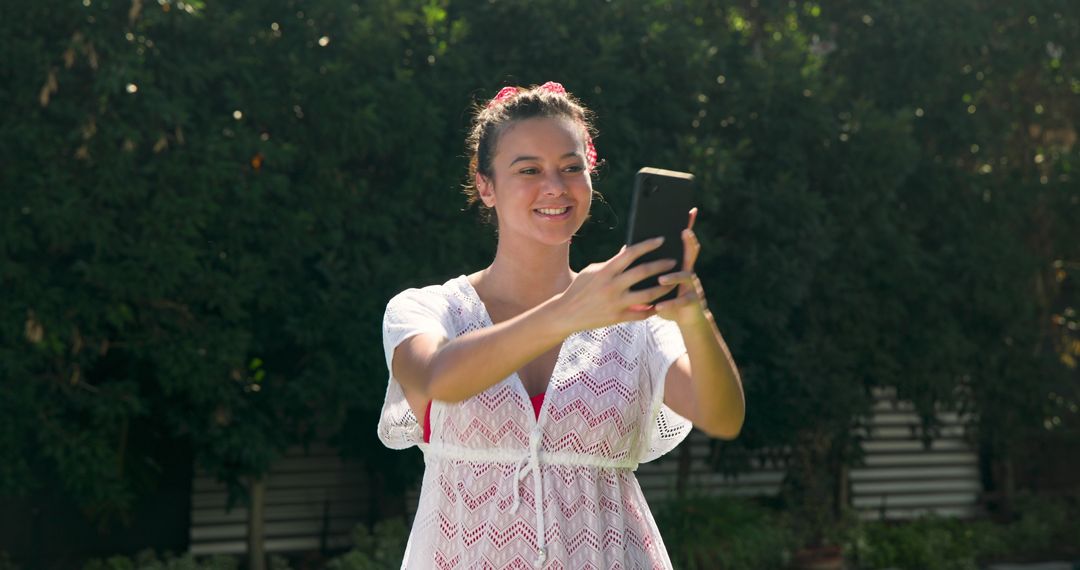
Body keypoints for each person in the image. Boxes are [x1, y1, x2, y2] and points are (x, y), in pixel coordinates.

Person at [378, 81, 744, 569]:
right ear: (485, 185)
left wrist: (694, 314)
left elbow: (722, 416)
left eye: (572, 168)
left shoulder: (634, 322)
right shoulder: (426, 309)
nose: (555, 186)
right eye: (529, 169)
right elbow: (436, 378)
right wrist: (570, 311)